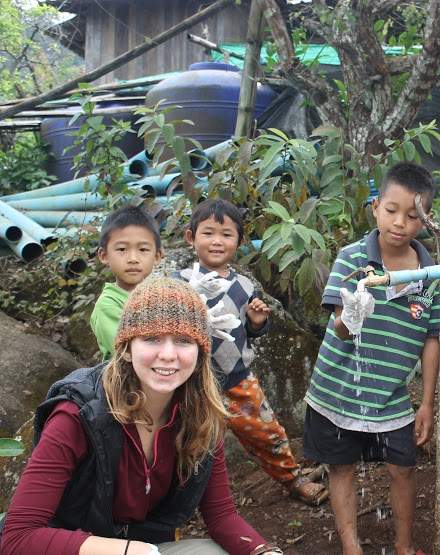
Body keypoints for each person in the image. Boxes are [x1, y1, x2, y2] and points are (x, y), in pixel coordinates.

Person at [0, 278, 283, 555]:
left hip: (148, 547)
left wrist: (263, 551)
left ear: (200, 351)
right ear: (125, 347)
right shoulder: (77, 414)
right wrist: (128, 550)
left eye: (184, 340)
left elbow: (221, 517)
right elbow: (18, 537)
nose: (168, 354)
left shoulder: (203, 416)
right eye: (152, 338)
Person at [303, 162, 440, 555]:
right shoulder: (351, 259)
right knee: (342, 466)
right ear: (376, 207)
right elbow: (341, 331)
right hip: (339, 390)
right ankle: (351, 547)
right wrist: (354, 312)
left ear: (426, 221)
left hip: (392, 395)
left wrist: (426, 403)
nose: (400, 222)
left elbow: (431, 338)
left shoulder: (430, 275)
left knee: (403, 468)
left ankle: (403, 546)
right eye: (392, 210)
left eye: (413, 216)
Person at [172, 199, 327, 507]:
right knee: (182, 442)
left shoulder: (244, 285)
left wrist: (257, 322)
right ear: (192, 238)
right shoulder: (181, 283)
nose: (217, 241)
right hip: (189, 382)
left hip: (237, 380)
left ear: (240, 242)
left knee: (266, 432)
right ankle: (177, 505)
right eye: (208, 233)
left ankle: (292, 478)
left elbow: (248, 331)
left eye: (226, 234)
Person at [90, 205, 162, 361]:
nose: (133, 258)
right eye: (122, 249)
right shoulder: (108, 305)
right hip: (127, 382)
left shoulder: (161, 297)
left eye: (143, 249)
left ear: (157, 256)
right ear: (104, 255)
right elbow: (128, 354)